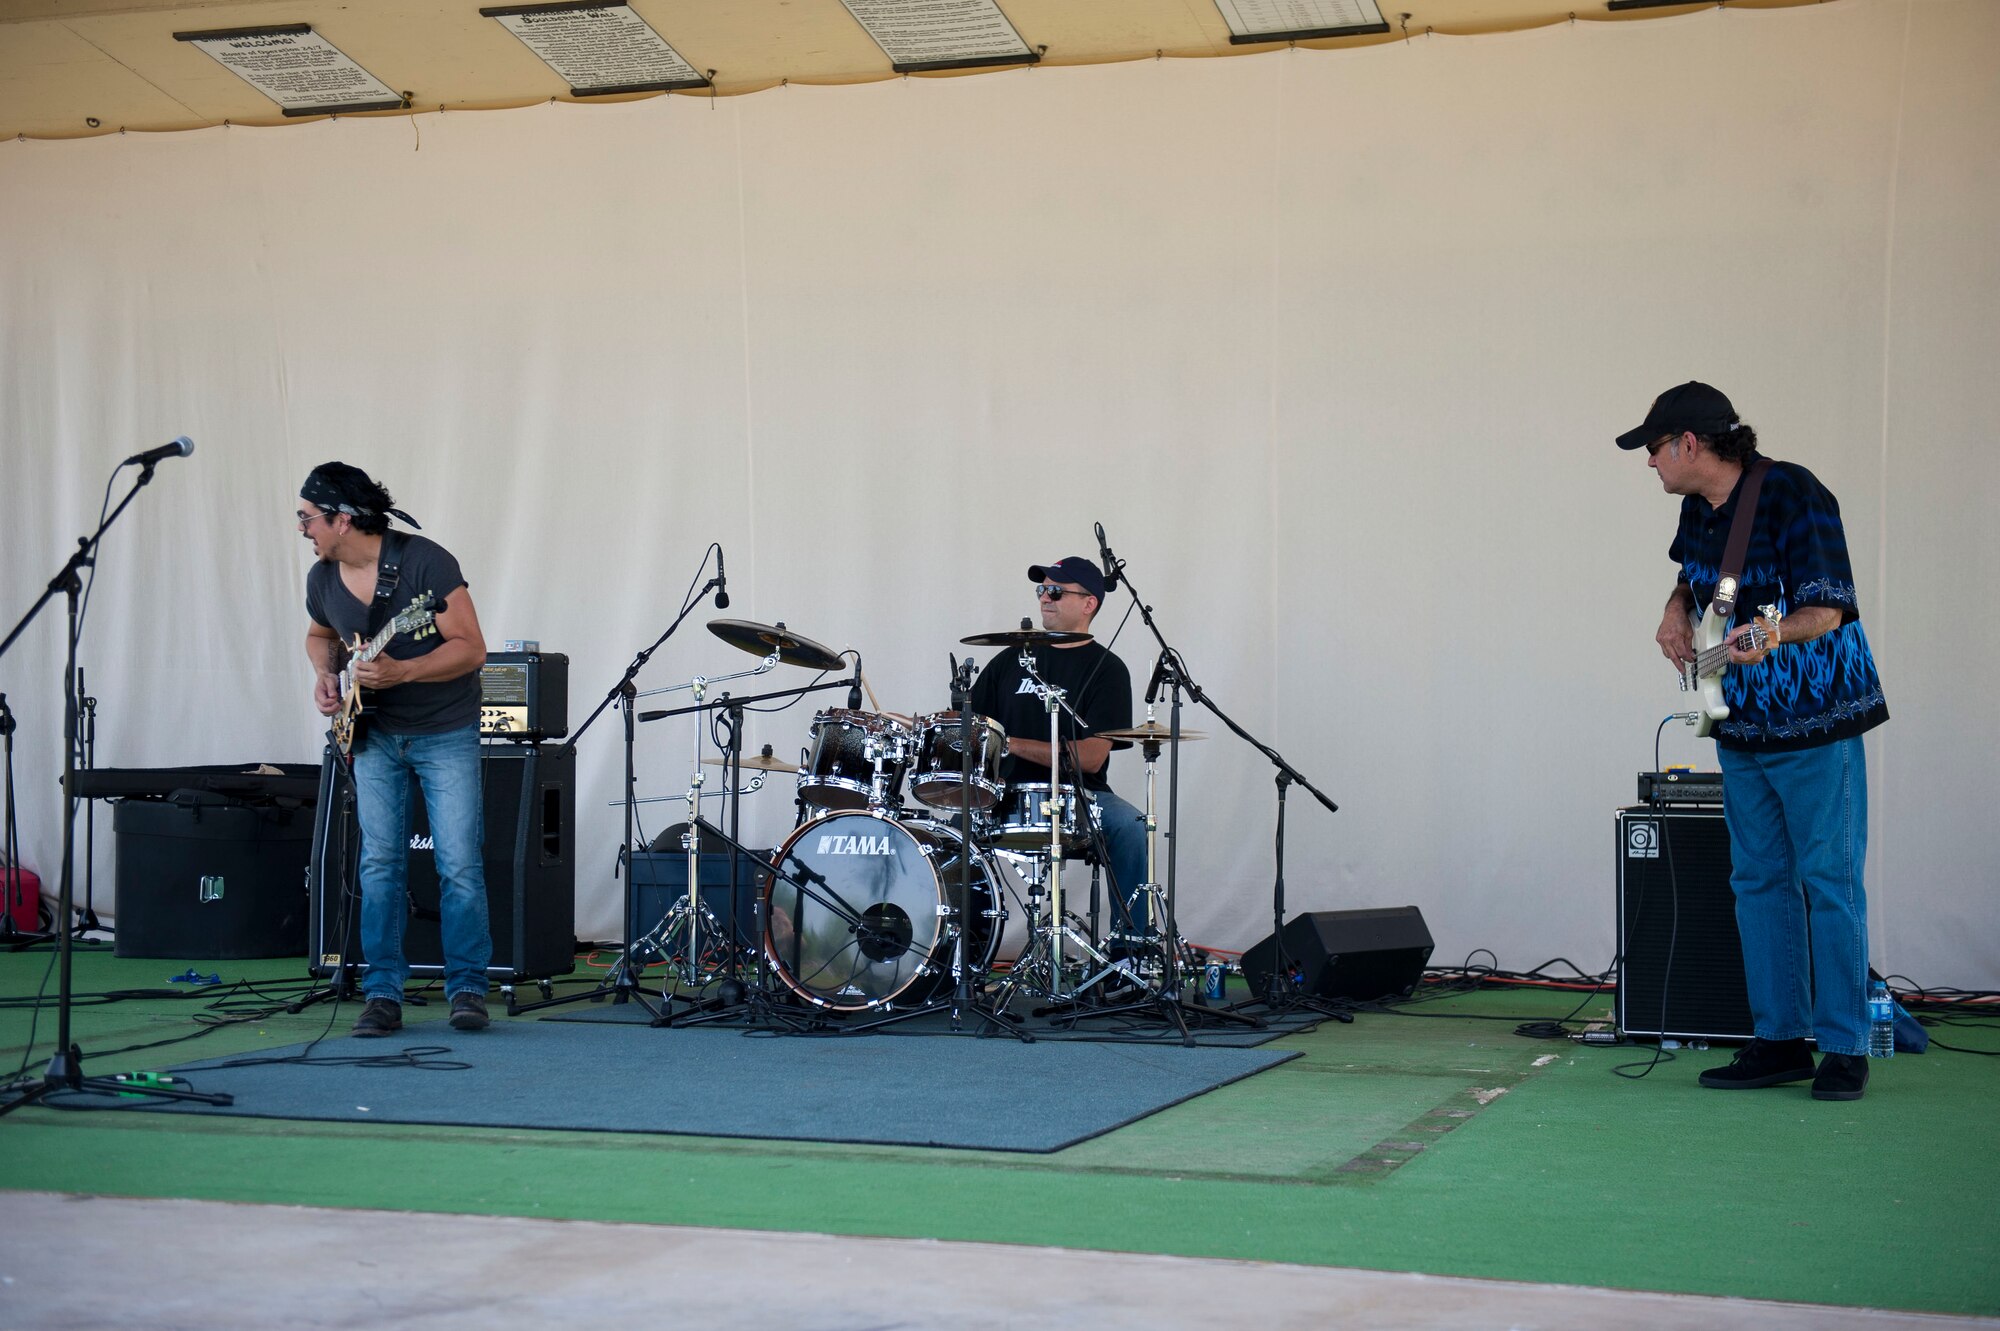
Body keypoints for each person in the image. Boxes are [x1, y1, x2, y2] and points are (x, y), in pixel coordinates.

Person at [1618, 382, 1889, 1101]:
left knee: (1828, 879)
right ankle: (1778, 1039)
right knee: (1758, 879)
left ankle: (1842, 1046)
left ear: (1689, 444)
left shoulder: (1796, 494)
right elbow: (1691, 574)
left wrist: (1769, 632)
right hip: (1739, 719)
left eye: (1653, 448)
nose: (1649, 463)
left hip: (1813, 721)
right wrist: (1675, 609)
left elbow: (1828, 608)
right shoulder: (1697, 509)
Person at [300, 463, 493, 1037]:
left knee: (457, 862)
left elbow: (472, 648)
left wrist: (404, 670)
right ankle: (383, 992)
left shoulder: (424, 563)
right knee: (379, 863)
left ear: (343, 518)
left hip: (444, 730)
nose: (303, 530)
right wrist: (326, 677)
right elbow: (319, 637)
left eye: (308, 519)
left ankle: (468, 990)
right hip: (373, 736)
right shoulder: (322, 579)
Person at [968, 557, 1151, 967]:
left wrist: (1011, 742)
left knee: (1132, 827)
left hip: (1080, 797)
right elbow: (971, 729)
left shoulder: (1107, 669)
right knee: (950, 835)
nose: (1045, 599)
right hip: (1005, 796)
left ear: (1089, 604)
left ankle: (1130, 957)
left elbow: (1090, 757)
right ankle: (960, 960)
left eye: (1056, 591)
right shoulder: (1009, 661)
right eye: (1041, 590)